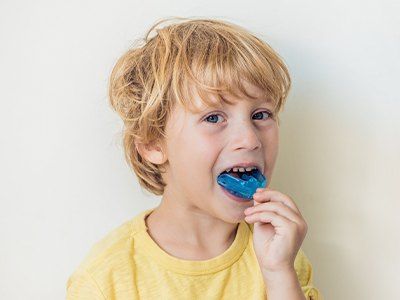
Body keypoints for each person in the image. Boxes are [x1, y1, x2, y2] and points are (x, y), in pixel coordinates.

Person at [66, 17, 322, 299]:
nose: (250, 139)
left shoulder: (279, 254)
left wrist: (278, 273)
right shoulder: (106, 280)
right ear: (152, 143)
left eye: (260, 115)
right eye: (214, 117)